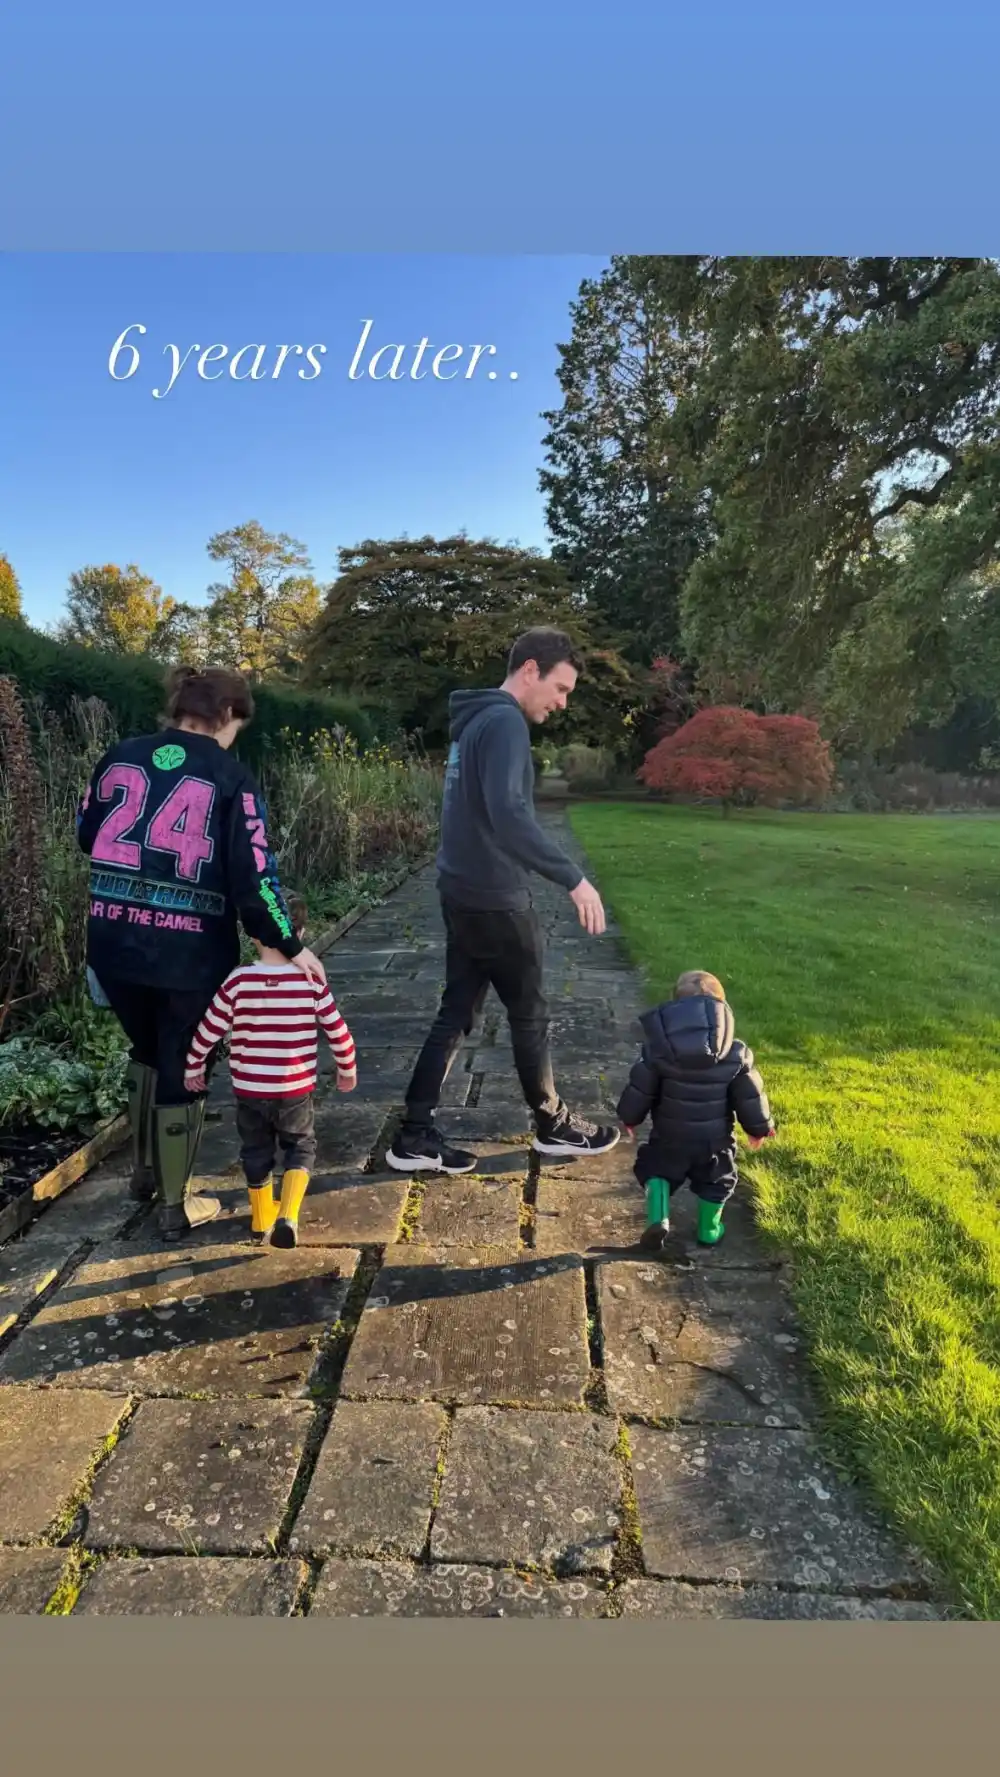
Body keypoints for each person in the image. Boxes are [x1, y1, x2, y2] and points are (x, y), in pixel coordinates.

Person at [76, 665, 326, 1241]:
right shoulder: (231, 776)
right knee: (182, 1062)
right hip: (187, 953)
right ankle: (174, 1205)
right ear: (228, 716)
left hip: (112, 939)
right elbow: (255, 875)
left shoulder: (119, 755)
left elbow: (88, 834)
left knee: (144, 1048)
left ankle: (144, 1175)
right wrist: (290, 944)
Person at [385, 626, 621, 1175]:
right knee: (529, 1013)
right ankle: (554, 1125)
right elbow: (509, 814)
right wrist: (573, 877)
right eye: (560, 689)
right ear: (531, 670)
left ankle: (414, 1134)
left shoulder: (476, 724)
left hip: (461, 888)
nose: (562, 703)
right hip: (493, 896)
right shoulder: (505, 722)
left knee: (457, 1012)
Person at [183, 891, 357, 1248]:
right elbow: (336, 1029)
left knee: (255, 1150)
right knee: (300, 1147)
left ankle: (261, 1221)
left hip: (249, 1089)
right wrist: (346, 1067)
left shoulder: (238, 980)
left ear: (252, 935)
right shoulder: (310, 981)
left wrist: (193, 1066)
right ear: (302, 934)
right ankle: (288, 1214)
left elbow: (209, 1028)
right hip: (294, 1087)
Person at [616, 969, 775, 1250]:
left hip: (670, 1135)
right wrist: (759, 1127)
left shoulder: (659, 1050)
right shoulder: (736, 1054)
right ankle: (709, 1230)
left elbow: (641, 1087)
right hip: (714, 1142)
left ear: (676, 1008)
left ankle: (658, 1217)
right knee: (717, 1181)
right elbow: (749, 1095)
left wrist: (630, 1117)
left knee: (656, 1169)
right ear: (722, 1012)